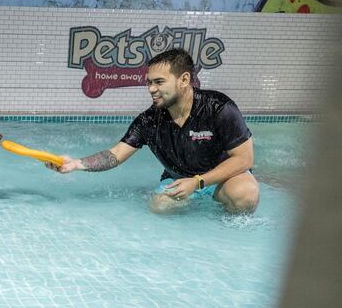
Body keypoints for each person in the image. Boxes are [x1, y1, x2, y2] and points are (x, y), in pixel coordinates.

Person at [48, 48, 259, 214]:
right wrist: (76, 164)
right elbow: (115, 155)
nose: (151, 89)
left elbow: (244, 159)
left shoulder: (218, 108)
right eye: (149, 82)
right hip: (178, 180)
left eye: (159, 82)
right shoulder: (149, 120)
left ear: (184, 80)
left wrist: (197, 182)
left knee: (245, 194)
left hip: (221, 179)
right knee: (160, 208)